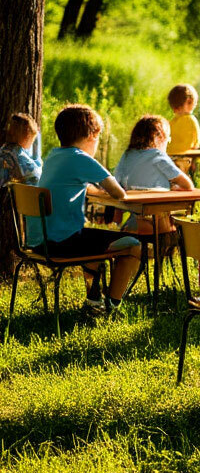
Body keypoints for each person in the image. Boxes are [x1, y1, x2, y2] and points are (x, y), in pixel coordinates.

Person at [26, 104, 141, 316]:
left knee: (93, 240)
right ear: (92, 136)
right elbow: (119, 193)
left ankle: (94, 300)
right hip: (62, 244)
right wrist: (111, 191)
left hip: (39, 242)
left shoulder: (53, 156)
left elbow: (81, 186)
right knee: (134, 245)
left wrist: (97, 190)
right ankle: (112, 306)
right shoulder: (80, 158)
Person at [113, 115, 193, 236]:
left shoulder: (127, 155)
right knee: (172, 230)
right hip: (158, 218)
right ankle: (165, 246)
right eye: (168, 138)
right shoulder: (157, 156)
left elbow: (116, 183)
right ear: (158, 138)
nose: (168, 142)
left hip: (134, 218)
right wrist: (175, 188)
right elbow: (188, 185)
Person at [1, 112, 42, 186]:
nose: (31, 143)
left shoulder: (4, 150)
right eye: (32, 139)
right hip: (27, 192)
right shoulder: (20, 155)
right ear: (27, 137)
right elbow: (37, 176)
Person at [167, 83, 200, 165]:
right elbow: (196, 143)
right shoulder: (179, 120)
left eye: (177, 107)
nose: (175, 110)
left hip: (178, 159)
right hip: (178, 159)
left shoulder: (186, 120)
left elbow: (195, 144)